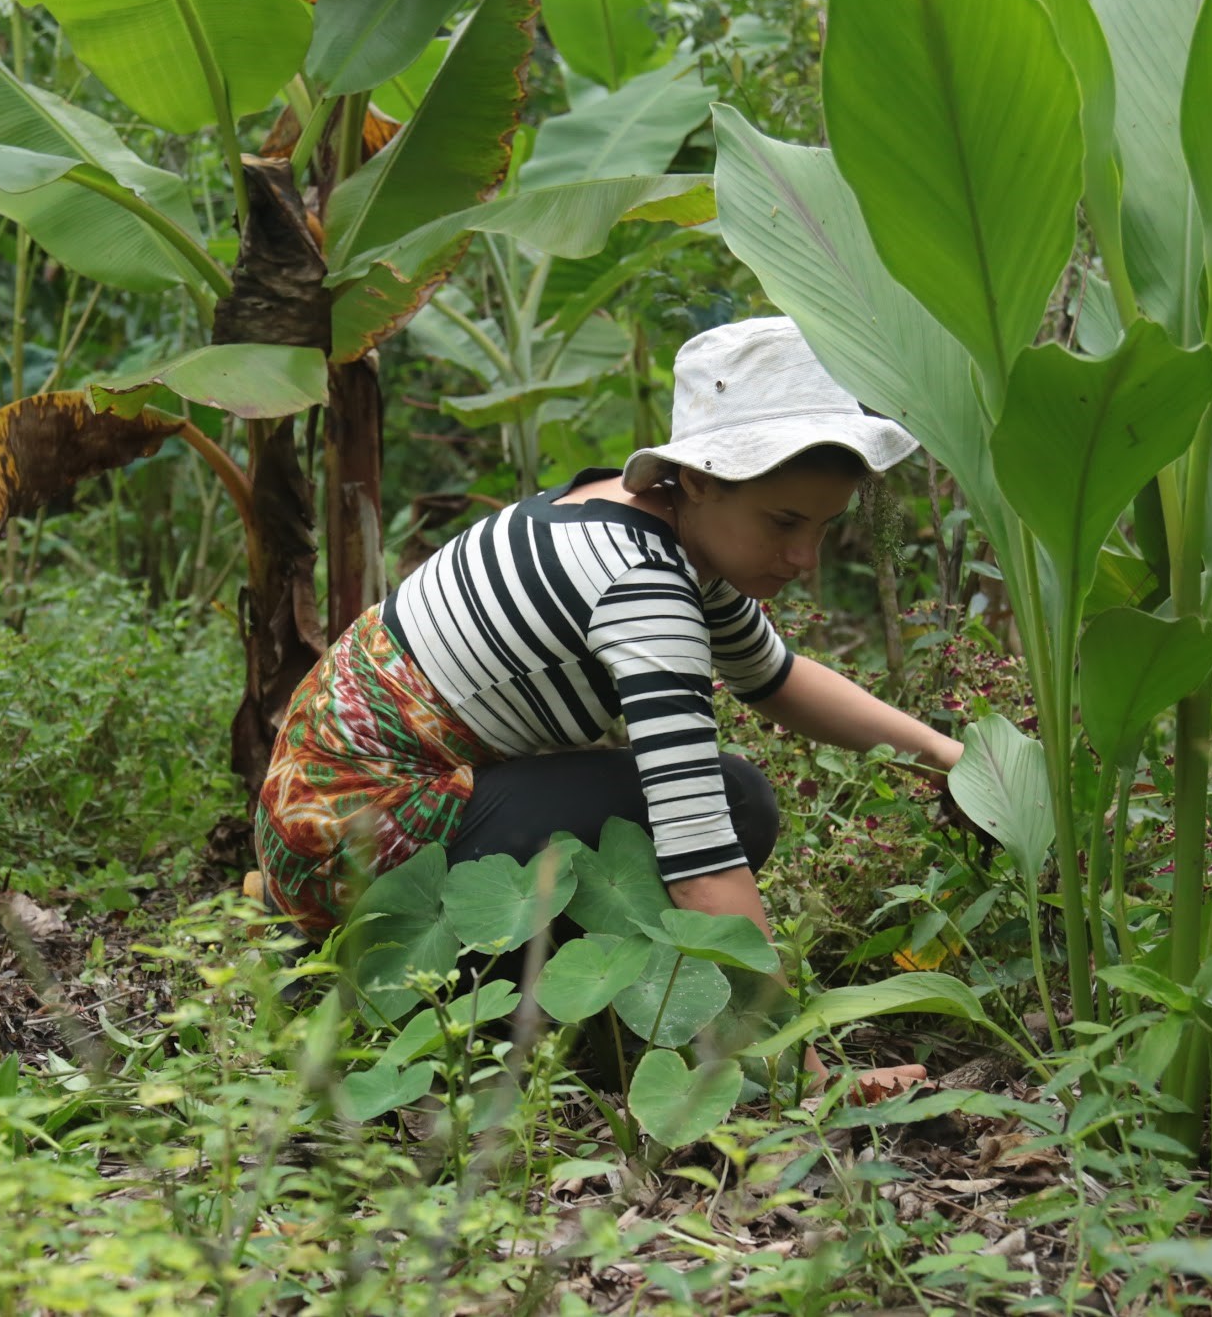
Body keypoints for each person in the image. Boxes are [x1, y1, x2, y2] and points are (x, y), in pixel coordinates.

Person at [254, 315, 965, 1094]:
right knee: (735, 805)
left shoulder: (633, 516)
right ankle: (446, 999)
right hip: (356, 838)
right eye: (784, 523)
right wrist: (807, 1071)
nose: (802, 558)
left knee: (729, 795)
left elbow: (776, 678)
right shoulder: (643, 587)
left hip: (319, 818)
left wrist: (956, 764)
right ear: (696, 477)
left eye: (823, 528)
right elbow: (700, 857)